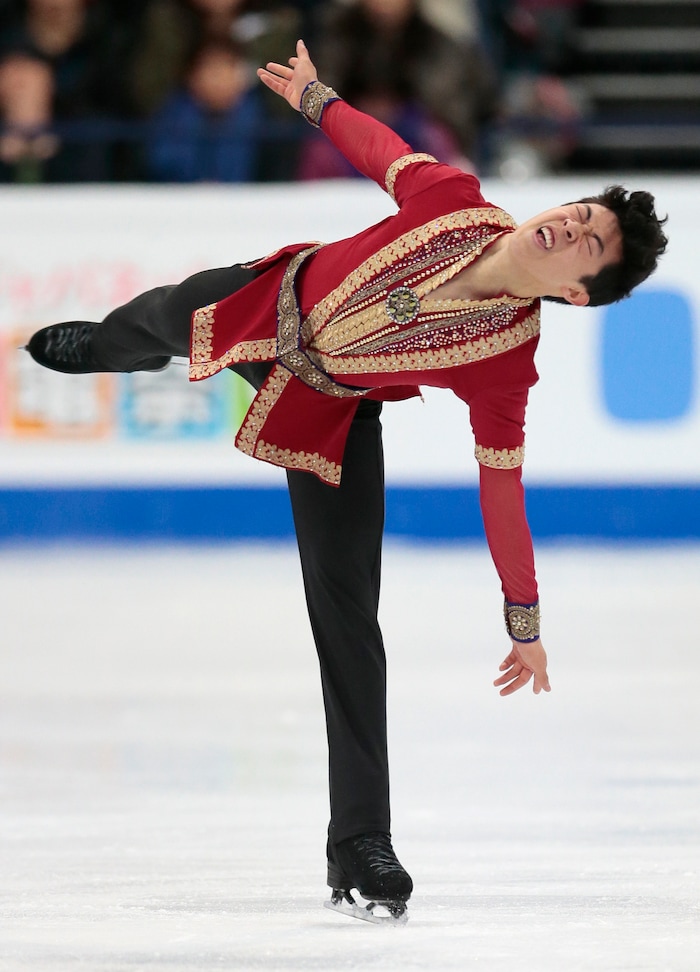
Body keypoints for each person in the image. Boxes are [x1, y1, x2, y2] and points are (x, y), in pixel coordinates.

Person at [24, 40, 668, 923]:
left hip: (327, 409)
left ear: (580, 294)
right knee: (158, 317)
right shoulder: (453, 201)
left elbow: (501, 491)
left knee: (349, 620)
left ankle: (361, 843)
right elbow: (378, 148)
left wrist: (525, 619)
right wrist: (315, 98)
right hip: (268, 300)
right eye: (580, 210)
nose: (569, 225)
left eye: (589, 242)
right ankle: (106, 350)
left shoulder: (506, 364)